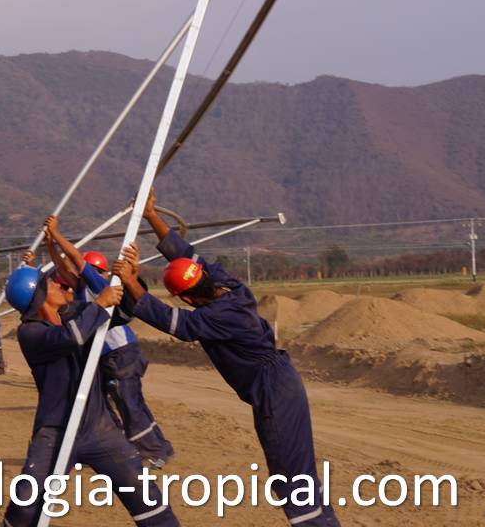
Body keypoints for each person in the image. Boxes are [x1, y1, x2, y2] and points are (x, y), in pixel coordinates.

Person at [111, 188, 339, 527]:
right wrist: (151, 216)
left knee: (290, 477)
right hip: (280, 382)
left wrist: (132, 284)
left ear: (187, 299)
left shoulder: (216, 316)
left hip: (273, 390)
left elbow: (175, 324)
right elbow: (186, 255)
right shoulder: (229, 287)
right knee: (297, 471)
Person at [1, 264, 179, 527]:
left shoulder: (75, 313)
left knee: (146, 498)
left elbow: (123, 311)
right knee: (26, 506)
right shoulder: (30, 333)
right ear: (37, 297)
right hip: (55, 433)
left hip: (100, 429)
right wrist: (98, 305)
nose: (61, 285)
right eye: (51, 284)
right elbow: (70, 337)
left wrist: (129, 281)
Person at [43, 215, 174, 467]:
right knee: (125, 402)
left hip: (120, 354)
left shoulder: (99, 283)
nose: (71, 270)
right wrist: (50, 245)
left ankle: (153, 452)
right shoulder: (82, 288)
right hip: (110, 356)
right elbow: (62, 266)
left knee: (129, 404)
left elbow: (75, 259)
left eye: (79, 267)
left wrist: (57, 234)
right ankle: (157, 446)